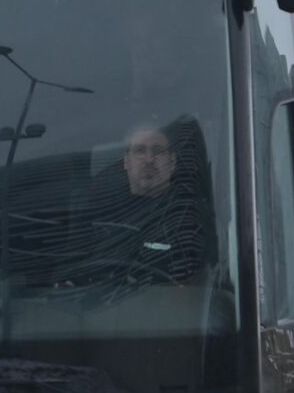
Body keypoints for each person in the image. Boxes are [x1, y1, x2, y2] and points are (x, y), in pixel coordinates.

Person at [86, 118, 210, 287]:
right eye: (140, 151)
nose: (149, 159)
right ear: (126, 161)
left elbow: (189, 285)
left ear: (172, 162)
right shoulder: (99, 211)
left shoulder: (187, 218)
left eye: (158, 151)